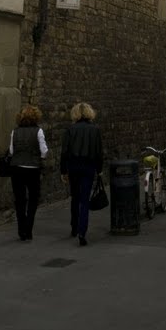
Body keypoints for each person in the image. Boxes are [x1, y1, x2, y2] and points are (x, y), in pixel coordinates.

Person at [60, 101, 103, 247]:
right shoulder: (95, 130)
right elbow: (99, 152)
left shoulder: (71, 130)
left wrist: (63, 171)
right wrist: (100, 170)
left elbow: (64, 152)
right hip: (88, 167)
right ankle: (82, 231)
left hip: (73, 167)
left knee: (75, 197)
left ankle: (74, 226)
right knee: (84, 200)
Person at [9, 104, 48, 242]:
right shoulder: (38, 131)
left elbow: (12, 151)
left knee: (19, 200)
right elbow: (44, 150)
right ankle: (28, 229)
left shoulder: (15, 131)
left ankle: (21, 230)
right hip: (33, 168)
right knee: (33, 199)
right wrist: (39, 158)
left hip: (17, 168)